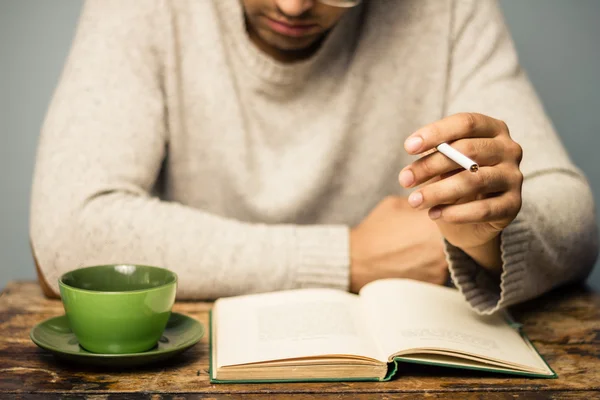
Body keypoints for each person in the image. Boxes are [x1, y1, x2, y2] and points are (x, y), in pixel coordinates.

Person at [30, 0, 598, 314]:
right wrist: (349, 257)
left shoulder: (449, 10)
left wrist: (488, 235)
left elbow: (574, 218)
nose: (294, 5)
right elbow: (69, 231)